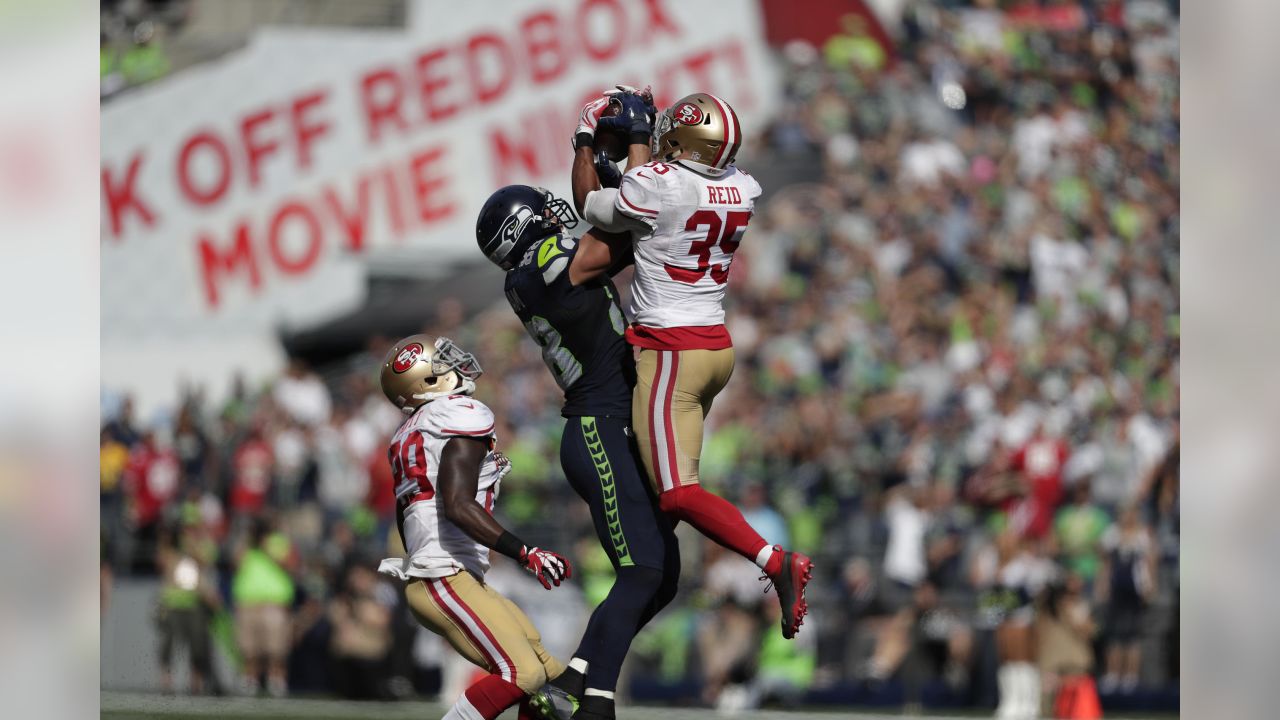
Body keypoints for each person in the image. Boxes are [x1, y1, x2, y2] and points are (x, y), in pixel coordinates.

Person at [572, 88, 814, 639]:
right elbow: (651, 190)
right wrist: (637, 154)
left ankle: (775, 561)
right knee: (669, 479)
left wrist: (586, 140)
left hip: (671, 352)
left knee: (678, 491)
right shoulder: (741, 188)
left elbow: (593, 204)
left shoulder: (661, 186)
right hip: (714, 348)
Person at [476, 179, 680, 720]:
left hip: (609, 425)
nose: (553, 213)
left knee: (662, 575)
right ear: (525, 228)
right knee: (641, 571)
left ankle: (573, 680)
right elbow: (626, 236)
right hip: (598, 428)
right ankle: (595, 703)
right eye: (540, 212)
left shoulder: (527, 277)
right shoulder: (545, 264)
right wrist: (634, 175)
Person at [374, 335, 572, 720]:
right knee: (523, 673)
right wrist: (525, 552)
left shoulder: (411, 431)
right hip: (444, 577)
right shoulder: (457, 415)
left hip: (447, 575)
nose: (457, 366)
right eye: (443, 364)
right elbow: (458, 506)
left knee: (551, 674)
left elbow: (409, 515)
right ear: (427, 382)